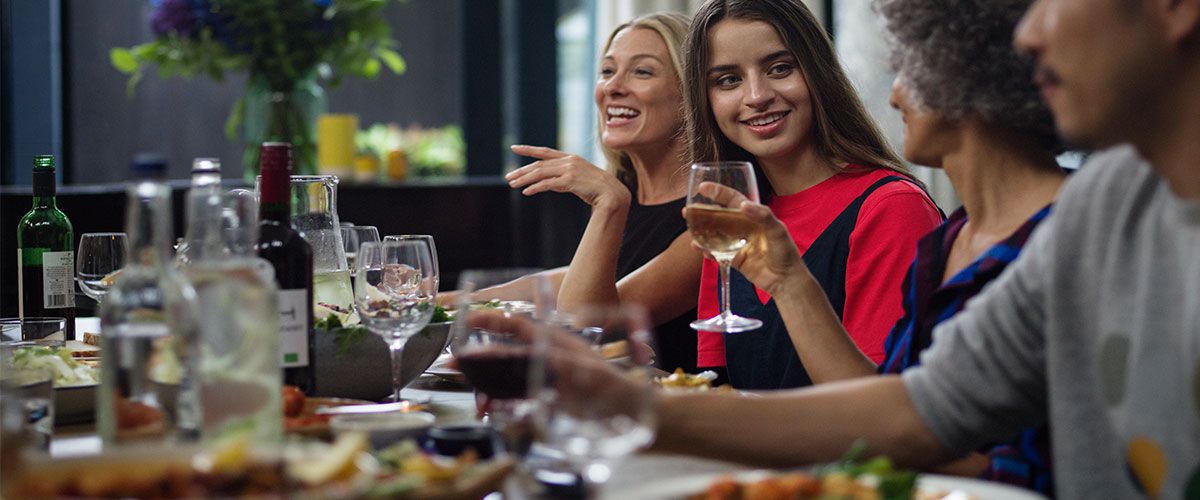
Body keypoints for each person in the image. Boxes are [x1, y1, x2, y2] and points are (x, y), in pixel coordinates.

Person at [468, 0, 1200, 495]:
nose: (1027, 38)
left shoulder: (905, 207)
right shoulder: (1102, 210)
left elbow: (945, 443)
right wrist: (625, 403)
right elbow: (921, 411)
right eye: (727, 80)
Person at [697, 0, 1066, 492]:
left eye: (910, 68)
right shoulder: (950, 242)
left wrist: (658, 413)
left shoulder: (1062, 236)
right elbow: (896, 408)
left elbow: (911, 431)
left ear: (970, 75)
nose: (893, 95)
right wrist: (789, 281)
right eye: (727, 80)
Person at [682, 0, 943, 389]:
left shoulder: (892, 207)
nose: (757, 95)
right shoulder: (730, 217)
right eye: (728, 80)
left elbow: (880, 405)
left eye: (779, 68)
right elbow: (718, 388)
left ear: (818, 72)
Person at [464, 13, 705, 374]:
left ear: (690, 94)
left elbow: (585, 321)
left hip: (672, 405)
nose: (613, 87)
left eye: (642, 72)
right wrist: (445, 302)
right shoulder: (633, 193)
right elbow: (560, 283)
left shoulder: (712, 217)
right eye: (607, 71)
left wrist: (609, 204)